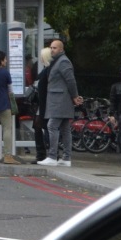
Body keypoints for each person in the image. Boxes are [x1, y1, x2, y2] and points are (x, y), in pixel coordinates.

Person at [38, 39, 83, 167]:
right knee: (64, 128)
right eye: (51, 47)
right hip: (58, 99)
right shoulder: (56, 61)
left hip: (61, 100)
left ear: (61, 49)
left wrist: (75, 96)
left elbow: (71, 80)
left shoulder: (63, 61)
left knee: (52, 126)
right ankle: (66, 158)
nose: (52, 50)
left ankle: (52, 156)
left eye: (55, 48)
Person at [32, 47, 52, 162]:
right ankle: (44, 154)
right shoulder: (47, 71)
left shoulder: (47, 72)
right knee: (40, 128)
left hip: (44, 105)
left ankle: (42, 154)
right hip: (43, 104)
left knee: (42, 128)